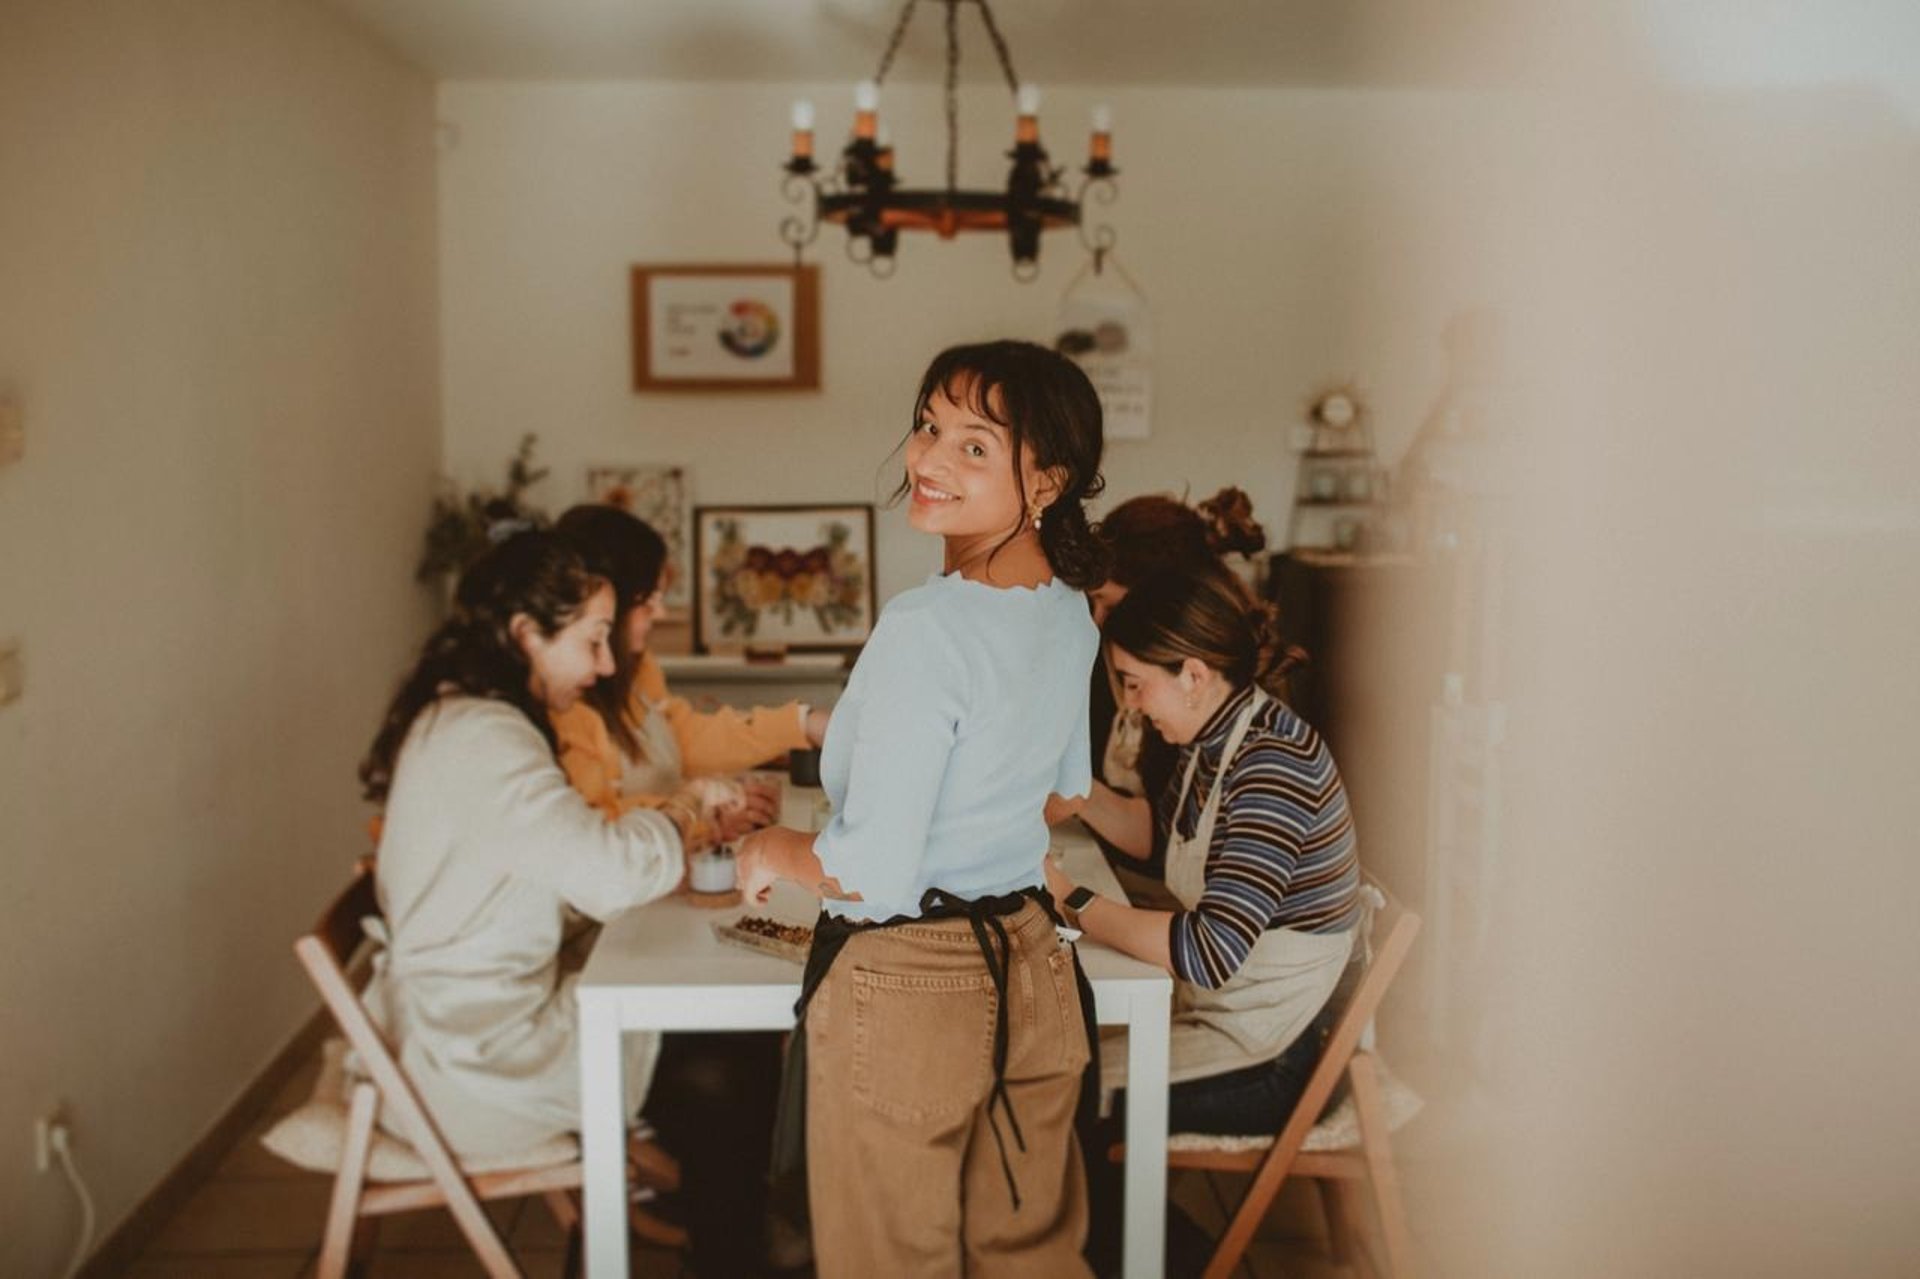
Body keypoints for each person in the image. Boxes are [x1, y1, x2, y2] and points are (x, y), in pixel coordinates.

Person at [736, 339, 1109, 1275]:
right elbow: (1067, 790)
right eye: (928, 427)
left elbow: (874, 873)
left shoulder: (925, 627)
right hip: (1033, 964)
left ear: (1047, 480)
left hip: (911, 981)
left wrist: (780, 847)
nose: (929, 461)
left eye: (975, 446)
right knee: (1029, 1257)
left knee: (892, 1260)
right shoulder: (1070, 610)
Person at [354, 531, 754, 1272]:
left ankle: (720, 1232)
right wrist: (687, 809)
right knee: (719, 1075)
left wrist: (677, 819)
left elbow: (570, 863)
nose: (606, 664)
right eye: (593, 640)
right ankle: (732, 1244)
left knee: (718, 1054)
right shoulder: (482, 737)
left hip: (478, 1021)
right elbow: (606, 874)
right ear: (525, 634)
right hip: (477, 1056)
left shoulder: (471, 720)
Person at [1043, 558, 1360, 1272]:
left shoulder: (1271, 764)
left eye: (1134, 681)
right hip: (1237, 1015)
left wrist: (1072, 898)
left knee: (1065, 1093)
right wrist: (1075, 792)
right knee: (1059, 1072)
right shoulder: (1218, 736)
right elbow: (1160, 840)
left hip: (1279, 1056)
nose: (1128, 703)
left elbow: (1209, 948)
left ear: (1191, 671)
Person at [548, 503, 827, 828]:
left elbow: (683, 739)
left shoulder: (637, 668)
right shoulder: (563, 701)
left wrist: (801, 722)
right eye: (648, 600)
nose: (661, 613)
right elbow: (595, 829)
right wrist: (702, 814)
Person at [1064, 488, 1267, 883]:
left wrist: (1068, 786)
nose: (1099, 622)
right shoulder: (1115, 661)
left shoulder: (1215, 713)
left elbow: (1163, 842)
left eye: (1112, 605)